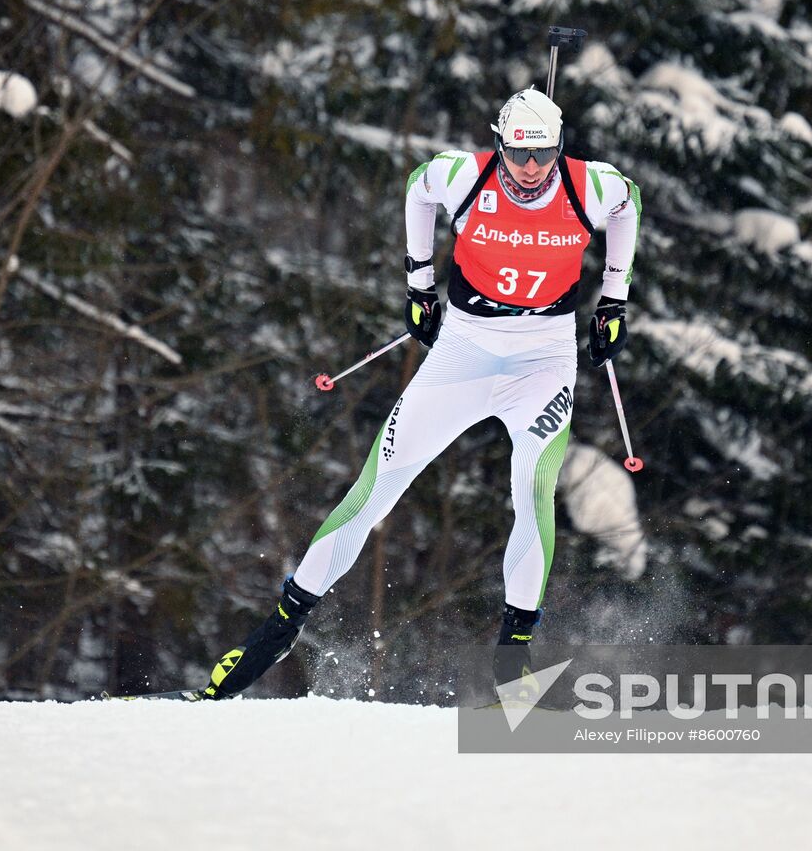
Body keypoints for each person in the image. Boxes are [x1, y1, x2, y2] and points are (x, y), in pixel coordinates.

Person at [191, 87, 640, 700]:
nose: (531, 169)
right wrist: (418, 282)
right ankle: (275, 633)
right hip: (461, 354)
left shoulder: (589, 186)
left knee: (532, 490)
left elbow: (630, 202)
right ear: (500, 144)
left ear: (559, 149)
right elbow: (418, 187)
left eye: (544, 155)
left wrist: (614, 296)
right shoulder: (463, 175)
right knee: (373, 490)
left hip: (543, 360)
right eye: (519, 154)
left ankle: (514, 664)